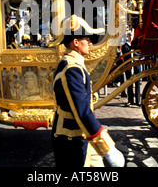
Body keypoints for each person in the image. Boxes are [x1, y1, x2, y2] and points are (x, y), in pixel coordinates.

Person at [48, 15, 125, 167]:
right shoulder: (72, 69)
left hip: (80, 133)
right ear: (76, 42)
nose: (90, 42)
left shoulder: (72, 64)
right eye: (87, 39)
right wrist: (107, 148)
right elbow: (82, 111)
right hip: (72, 138)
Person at [123, 32, 141, 107]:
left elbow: (139, 53)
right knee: (129, 83)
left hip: (136, 64)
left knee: (137, 83)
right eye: (128, 35)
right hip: (129, 65)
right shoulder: (125, 45)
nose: (129, 37)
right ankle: (130, 100)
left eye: (130, 35)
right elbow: (125, 56)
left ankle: (138, 100)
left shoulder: (136, 44)